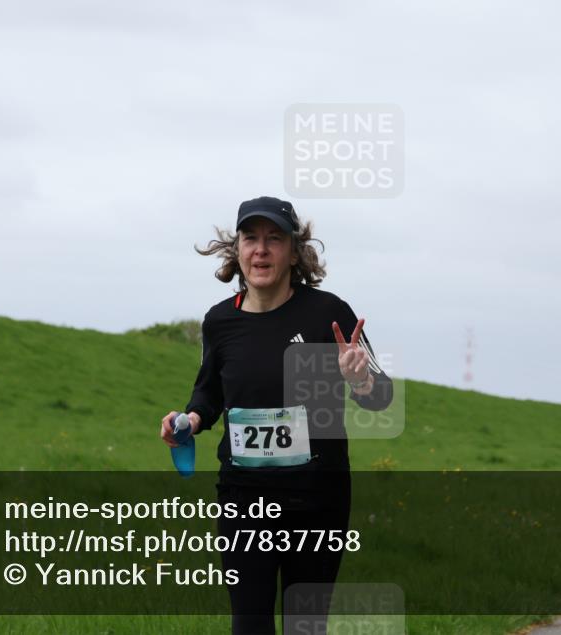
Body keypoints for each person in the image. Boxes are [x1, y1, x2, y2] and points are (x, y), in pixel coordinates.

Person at [160, 196, 394, 634]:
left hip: (317, 499)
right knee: (249, 625)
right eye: (251, 239)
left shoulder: (330, 315)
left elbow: (381, 395)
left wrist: (359, 379)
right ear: (237, 250)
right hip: (244, 499)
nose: (261, 250)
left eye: (274, 239)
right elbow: (208, 393)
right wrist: (189, 421)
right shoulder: (219, 322)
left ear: (293, 252)